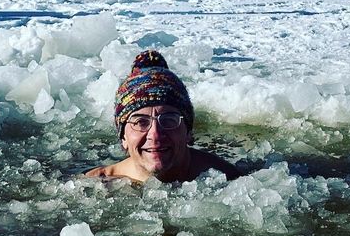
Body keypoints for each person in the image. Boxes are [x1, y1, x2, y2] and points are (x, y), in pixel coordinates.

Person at [86, 50, 240, 184]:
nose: (155, 135)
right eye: (140, 122)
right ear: (123, 138)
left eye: (168, 120)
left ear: (188, 132)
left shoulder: (230, 179)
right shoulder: (95, 183)